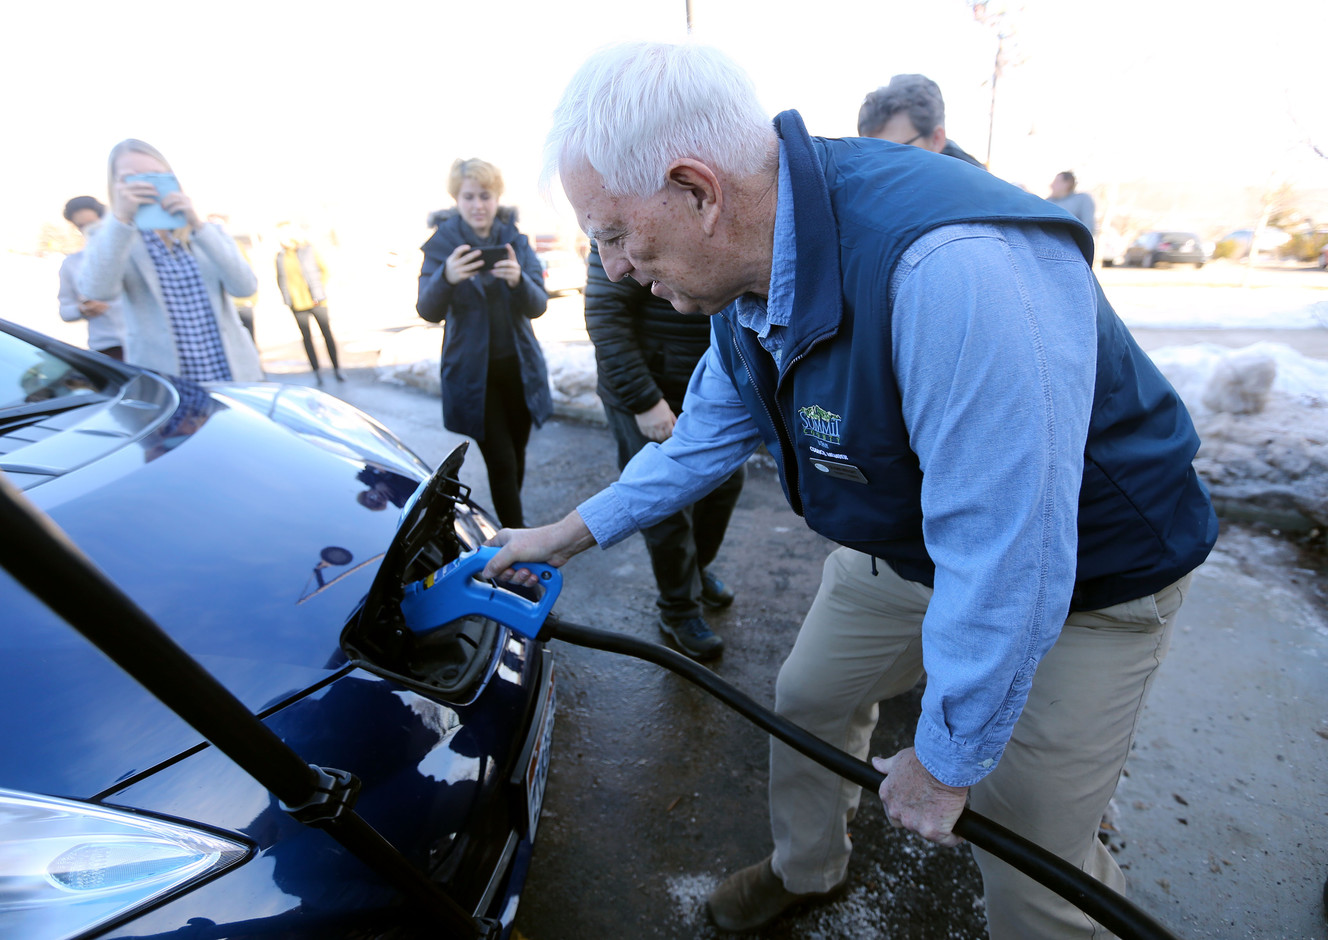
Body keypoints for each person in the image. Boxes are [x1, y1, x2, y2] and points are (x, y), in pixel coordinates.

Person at [483, 42, 1218, 938]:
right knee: (811, 700)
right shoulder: (753, 272)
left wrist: (948, 761)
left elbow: (1009, 552)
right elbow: (708, 433)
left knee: (1031, 857)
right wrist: (566, 532)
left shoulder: (951, 269)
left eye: (609, 234)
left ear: (698, 191)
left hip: (1086, 580)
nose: (613, 269)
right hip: (910, 541)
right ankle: (808, 866)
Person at [583, 241, 745, 660]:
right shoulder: (621, 222)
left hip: (706, 387)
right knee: (665, 505)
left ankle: (694, 571)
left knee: (724, 485)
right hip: (647, 391)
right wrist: (644, 400)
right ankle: (677, 608)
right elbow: (605, 316)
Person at [417, 158, 552, 529]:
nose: (478, 205)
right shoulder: (442, 245)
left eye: (486, 196)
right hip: (475, 377)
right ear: (456, 200)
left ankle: (510, 526)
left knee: (517, 456)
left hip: (519, 371)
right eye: (469, 196)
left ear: (497, 198)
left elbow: (538, 305)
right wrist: (446, 276)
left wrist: (518, 279)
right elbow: (427, 310)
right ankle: (516, 540)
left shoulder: (515, 241)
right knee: (502, 460)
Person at [77, 139, 262, 381]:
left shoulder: (206, 233)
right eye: (132, 177)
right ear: (116, 185)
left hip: (233, 374)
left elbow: (245, 287)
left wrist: (197, 225)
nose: (145, 184)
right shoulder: (112, 237)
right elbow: (97, 290)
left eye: (155, 175)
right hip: (166, 383)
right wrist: (121, 220)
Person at [858, 73, 985, 167]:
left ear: (936, 140)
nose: (880, 167)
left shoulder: (976, 197)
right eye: (870, 154)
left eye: (895, 151)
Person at [57, 196, 125, 360]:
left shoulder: (129, 253)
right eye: (81, 226)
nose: (89, 230)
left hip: (144, 343)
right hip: (107, 348)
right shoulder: (71, 264)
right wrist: (82, 309)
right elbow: (65, 311)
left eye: (93, 223)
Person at [275, 222, 342, 384]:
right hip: (297, 303)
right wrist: (288, 299)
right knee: (307, 338)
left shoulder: (308, 250)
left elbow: (324, 270)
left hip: (316, 300)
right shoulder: (280, 257)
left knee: (327, 334)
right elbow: (280, 279)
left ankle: (337, 369)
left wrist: (318, 290)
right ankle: (317, 372)